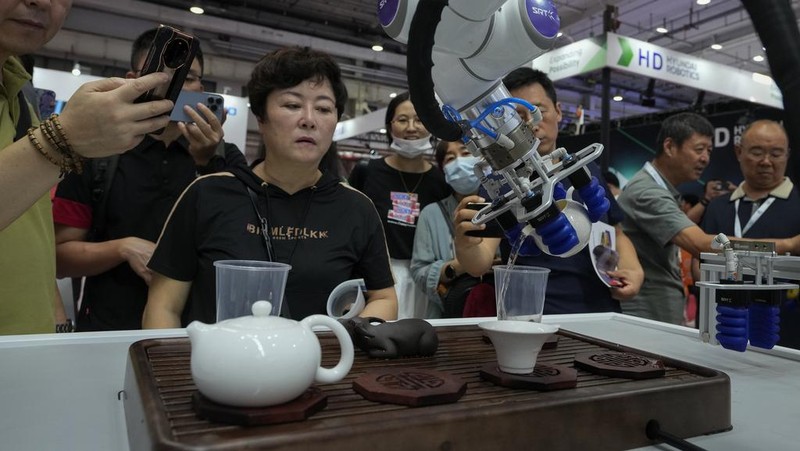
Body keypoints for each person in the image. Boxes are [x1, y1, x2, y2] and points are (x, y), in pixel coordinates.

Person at [142, 46, 397, 328]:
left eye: (324, 108)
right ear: (261, 117)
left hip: (322, 369)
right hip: (217, 368)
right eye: (292, 105)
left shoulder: (356, 207)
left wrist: (342, 341)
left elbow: (384, 297)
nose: (309, 120)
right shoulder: (207, 194)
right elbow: (164, 307)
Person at [0, 0, 174, 335]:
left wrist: (56, 321)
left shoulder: (20, 96)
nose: (43, 2)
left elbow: (31, 233)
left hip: (29, 349)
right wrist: (62, 139)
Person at [50, 28, 235, 331]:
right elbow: (58, 258)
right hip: (107, 331)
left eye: (189, 78)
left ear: (201, 86)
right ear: (133, 79)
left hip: (199, 334)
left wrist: (209, 161)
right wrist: (123, 248)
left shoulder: (222, 158)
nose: (176, 87)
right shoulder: (97, 152)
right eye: (163, 76)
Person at [454, 67, 644, 315]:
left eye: (538, 111)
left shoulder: (584, 169)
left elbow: (616, 233)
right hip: (534, 313)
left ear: (558, 111)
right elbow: (479, 263)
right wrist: (465, 244)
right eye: (515, 117)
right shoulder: (501, 184)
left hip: (601, 309)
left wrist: (633, 270)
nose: (531, 124)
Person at [617, 114, 800, 325]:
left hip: (777, 323)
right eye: (699, 149)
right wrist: (790, 245)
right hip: (652, 314)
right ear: (669, 147)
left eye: (709, 151)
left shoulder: (661, 191)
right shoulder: (648, 193)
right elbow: (702, 245)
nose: (705, 158)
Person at [348, 92, 451, 319]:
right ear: (390, 125)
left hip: (423, 278)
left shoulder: (441, 182)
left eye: (420, 119)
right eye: (402, 120)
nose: (411, 127)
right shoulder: (367, 172)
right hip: (374, 278)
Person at [700, 119, 800, 347]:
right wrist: (788, 244)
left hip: (787, 337)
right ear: (738, 152)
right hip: (721, 327)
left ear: (787, 155)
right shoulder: (718, 206)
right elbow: (699, 263)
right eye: (757, 152)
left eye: (776, 153)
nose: (766, 161)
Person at [410, 140, 495, 318]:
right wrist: (460, 265)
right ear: (444, 171)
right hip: (448, 315)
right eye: (450, 158)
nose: (459, 162)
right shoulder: (431, 214)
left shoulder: (502, 207)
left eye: (466, 153)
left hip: (499, 310)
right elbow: (419, 273)